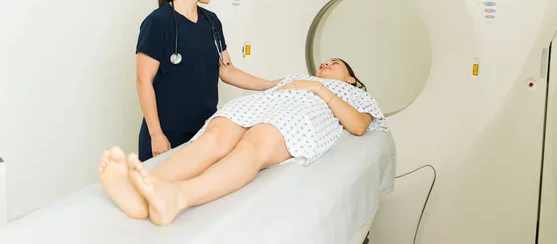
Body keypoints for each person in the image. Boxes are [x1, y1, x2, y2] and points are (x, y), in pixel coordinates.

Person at [98, 58, 388, 226]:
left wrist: (317, 88)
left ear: (350, 79)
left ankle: (178, 196)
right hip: (263, 104)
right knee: (214, 139)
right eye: (324, 61)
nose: (325, 63)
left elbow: (359, 125)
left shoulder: (354, 94)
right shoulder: (294, 77)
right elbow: (264, 86)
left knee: (252, 145)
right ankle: (138, 188)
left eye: (335, 64)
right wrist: (294, 83)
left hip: (302, 113)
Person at [135, 0, 279, 162]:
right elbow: (143, 81)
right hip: (167, 133)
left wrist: (270, 85)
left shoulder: (212, 22)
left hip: (204, 132)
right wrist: (156, 135)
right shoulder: (158, 22)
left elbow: (227, 71)